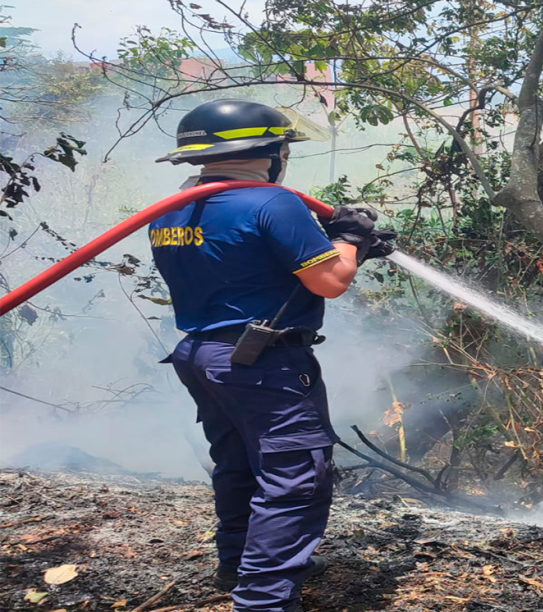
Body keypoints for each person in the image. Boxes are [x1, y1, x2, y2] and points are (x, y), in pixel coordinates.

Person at [151, 99, 394, 612]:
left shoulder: (175, 207)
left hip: (204, 356)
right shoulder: (273, 202)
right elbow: (330, 281)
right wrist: (350, 238)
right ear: (271, 150)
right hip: (264, 364)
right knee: (295, 479)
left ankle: (239, 564)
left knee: (239, 463)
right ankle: (264, 599)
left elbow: (245, 265)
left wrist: (350, 247)